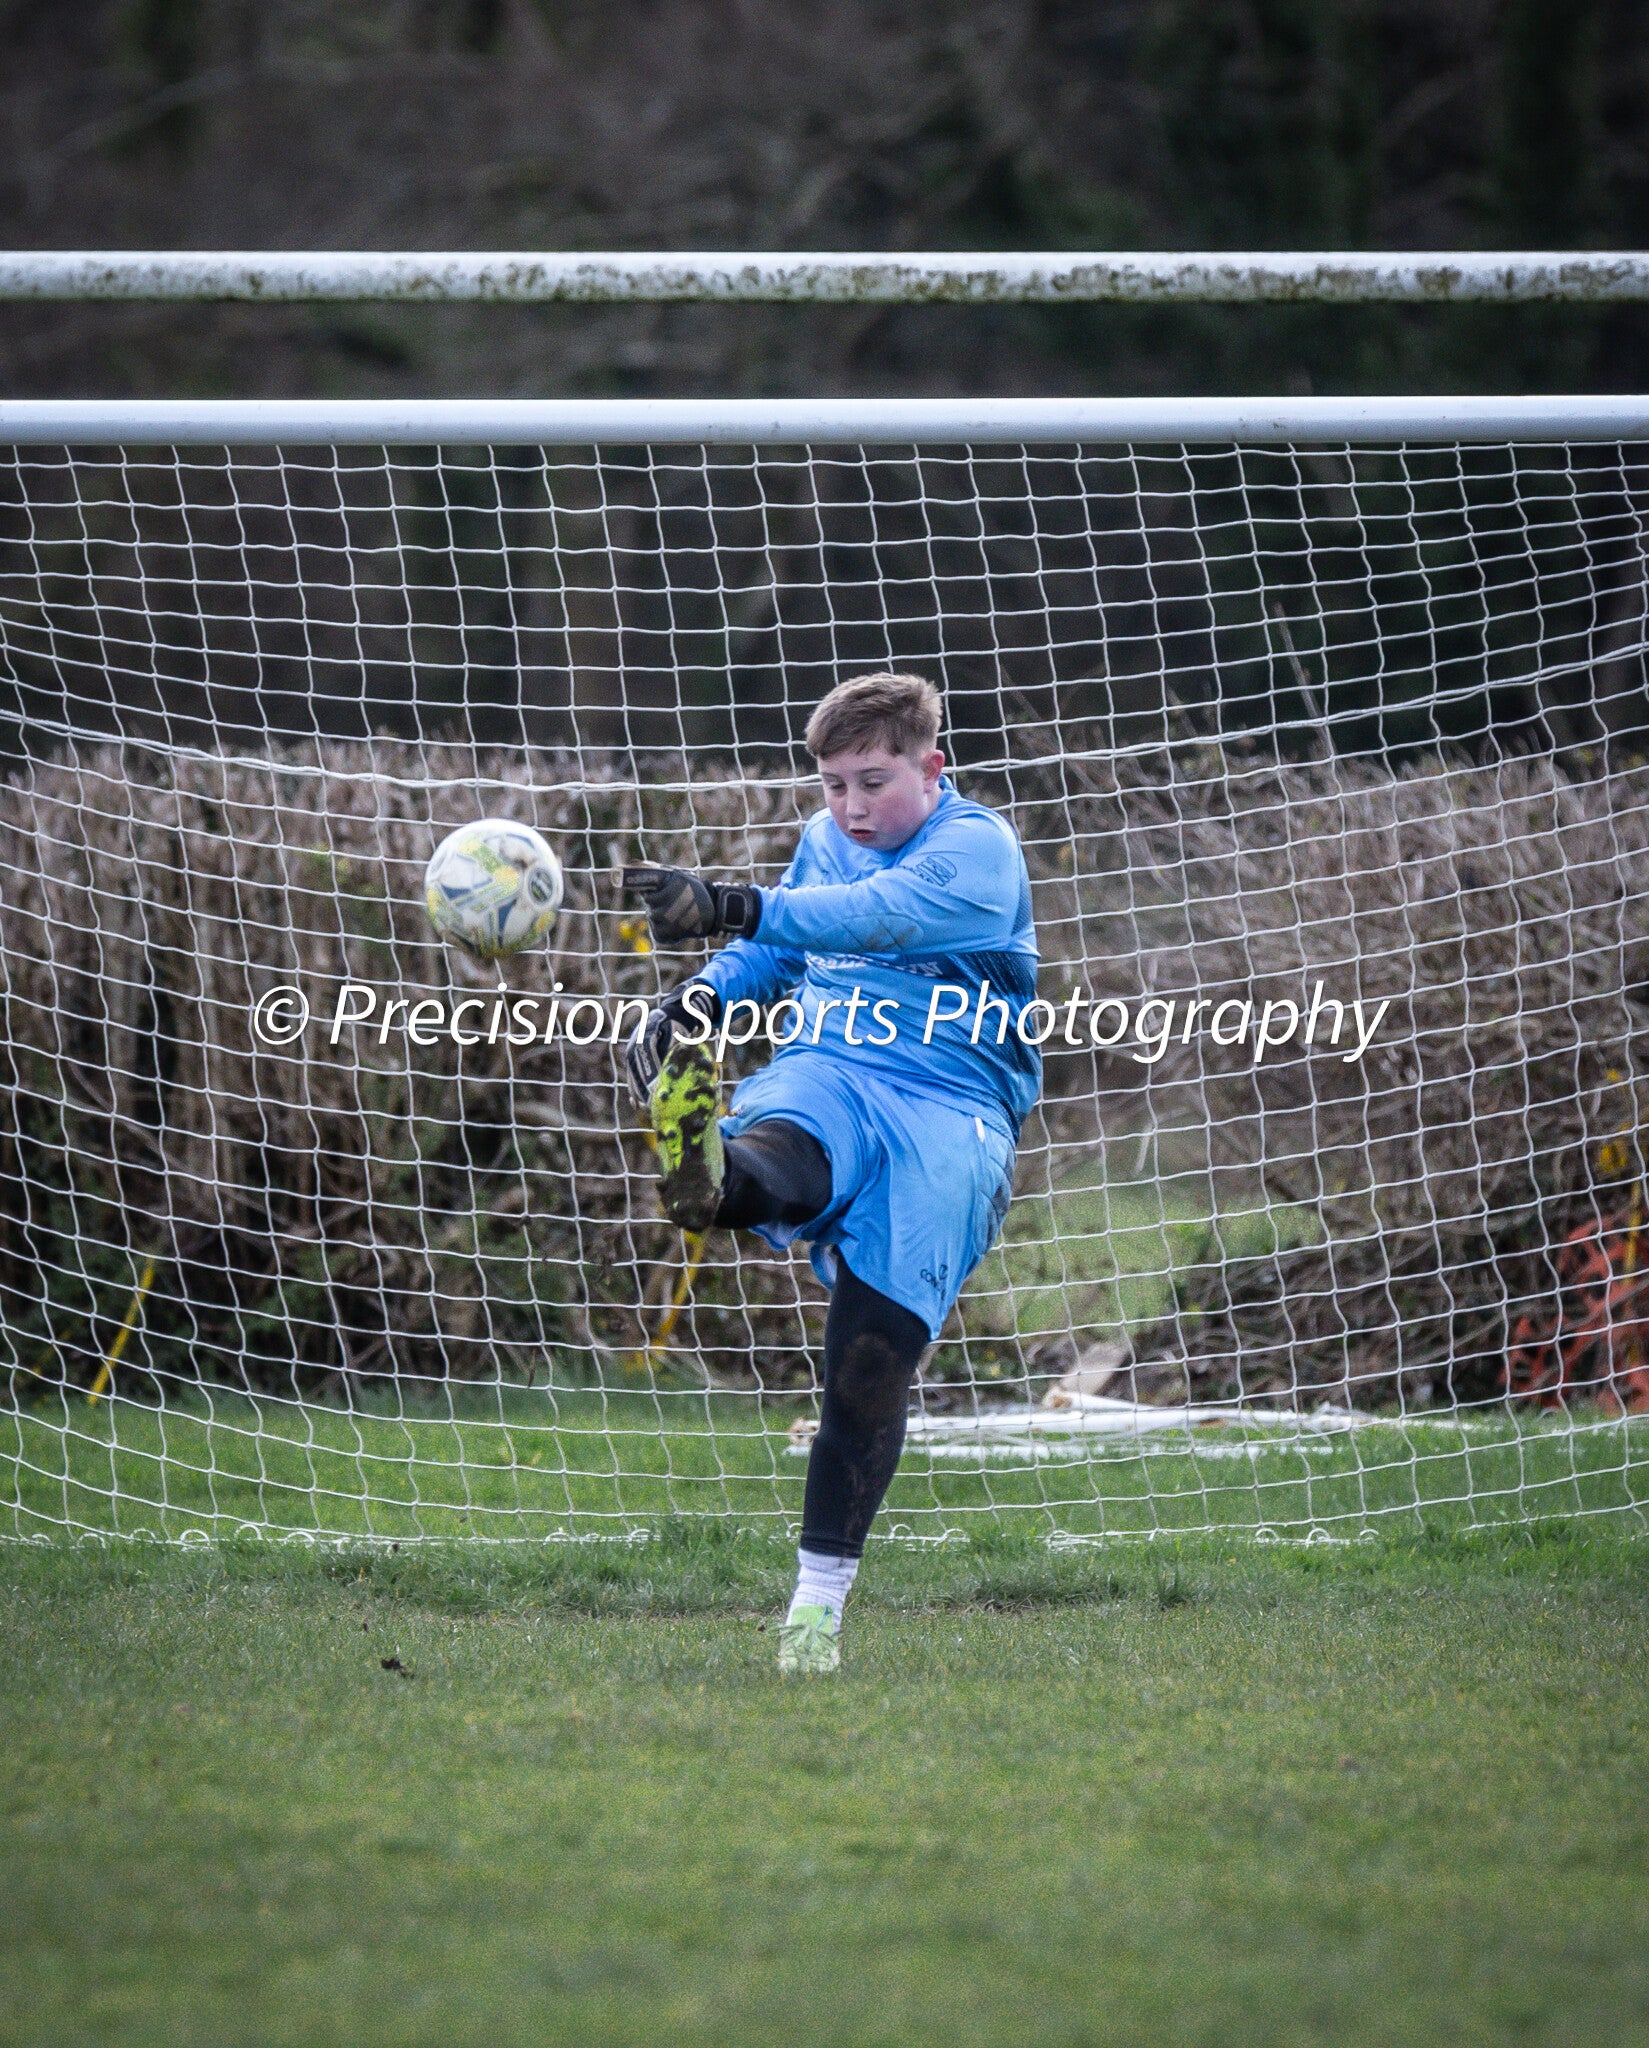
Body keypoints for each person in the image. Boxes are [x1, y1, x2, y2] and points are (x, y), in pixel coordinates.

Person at [621, 670, 1040, 1672]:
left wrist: (731, 901)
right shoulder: (827, 841)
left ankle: (814, 1610)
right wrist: (702, 996)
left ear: (930, 768)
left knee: (866, 1369)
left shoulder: (978, 848)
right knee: (783, 1151)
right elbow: (785, 949)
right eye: (832, 787)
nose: (849, 808)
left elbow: (866, 918)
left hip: (951, 1108)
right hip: (834, 1069)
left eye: (872, 781)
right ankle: (709, 1169)